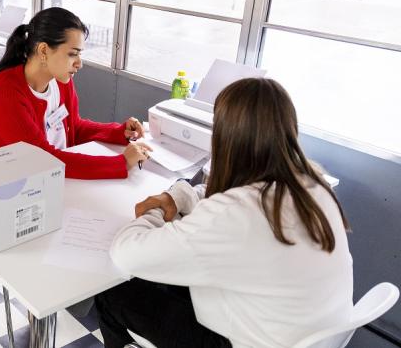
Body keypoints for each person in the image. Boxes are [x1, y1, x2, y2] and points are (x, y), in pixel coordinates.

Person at [96, 78, 353, 348]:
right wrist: (179, 194)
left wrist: (158, 209)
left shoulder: (236, 214)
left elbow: (125, 254)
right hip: (304, 335)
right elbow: (215, 194)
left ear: (225, 136)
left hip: (245, 340)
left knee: (114, 294)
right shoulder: (314, 185)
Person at [0, 7, 151, 179]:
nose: (79, 63)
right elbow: (44, 159)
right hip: (5, 188)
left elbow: (74, 127)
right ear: (43, 51)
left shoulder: (61, 81)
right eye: (73, 54)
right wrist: (121, 163)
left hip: (46, 180)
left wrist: (119, 132)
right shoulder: (4, 91)